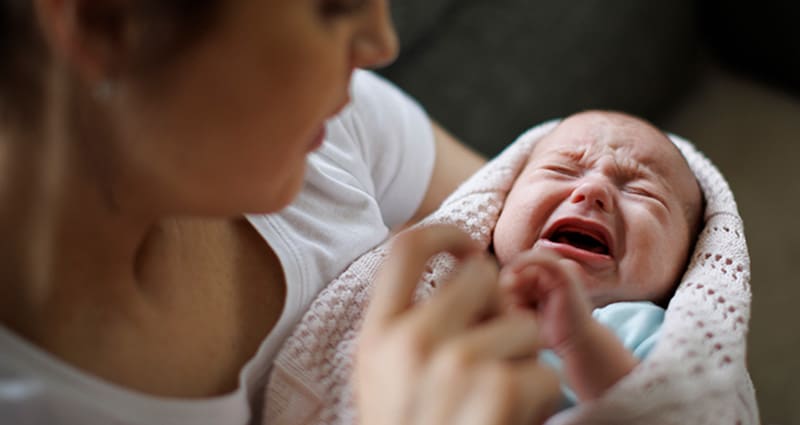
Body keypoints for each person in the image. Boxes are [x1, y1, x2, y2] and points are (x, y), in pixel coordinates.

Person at [0, 1, 560, 424]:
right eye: (332, 6)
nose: (381, 41)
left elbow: (619, 241)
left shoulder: (323, 131)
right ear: (102, 22)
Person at [493, 111, 704, 404]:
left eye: (642, 191)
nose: (593, 190)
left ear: (689, 260)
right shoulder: (460, 283)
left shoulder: (650, 330)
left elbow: (671, 412)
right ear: (500, 202)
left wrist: (578, 338)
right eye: (561, 170)